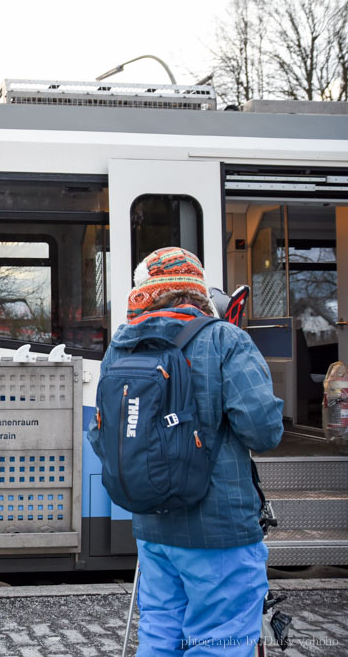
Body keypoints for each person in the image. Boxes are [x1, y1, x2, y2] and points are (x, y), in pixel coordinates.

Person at [88, 247, 284, 655]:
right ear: (196, 291)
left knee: (160, 633)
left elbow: (99, 434)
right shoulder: (225, 339)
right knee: (221, 640)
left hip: (152, 528)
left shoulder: (120, 347)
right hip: (221, 531)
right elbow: (263, 431)